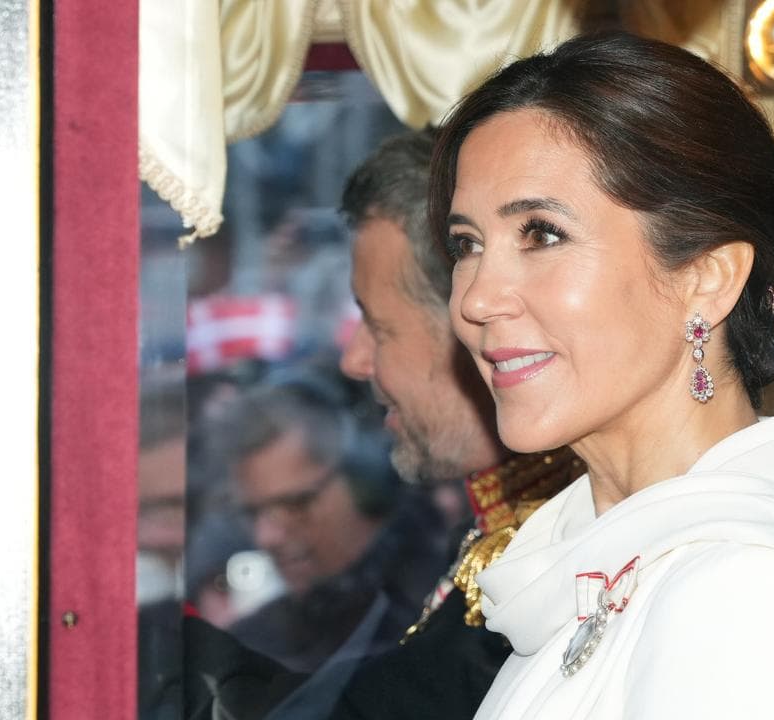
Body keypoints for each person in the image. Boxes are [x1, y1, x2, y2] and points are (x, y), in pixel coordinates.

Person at [429, 33, 774, 719]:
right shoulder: (600, 570)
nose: (475, 299)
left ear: (707, 278)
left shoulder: (748, 589)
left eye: (541, 234)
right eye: (467, 245)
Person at [183, 131, 582, 719]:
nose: (354, 359)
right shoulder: (502, 531)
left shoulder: (575, 552)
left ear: (469, 328)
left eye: (379, 325)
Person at [215, 377, 445, 674]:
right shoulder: (248, 646)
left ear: (366, 481)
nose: (266, 537)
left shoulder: (447, 607)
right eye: (252, 513)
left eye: (296, 504)